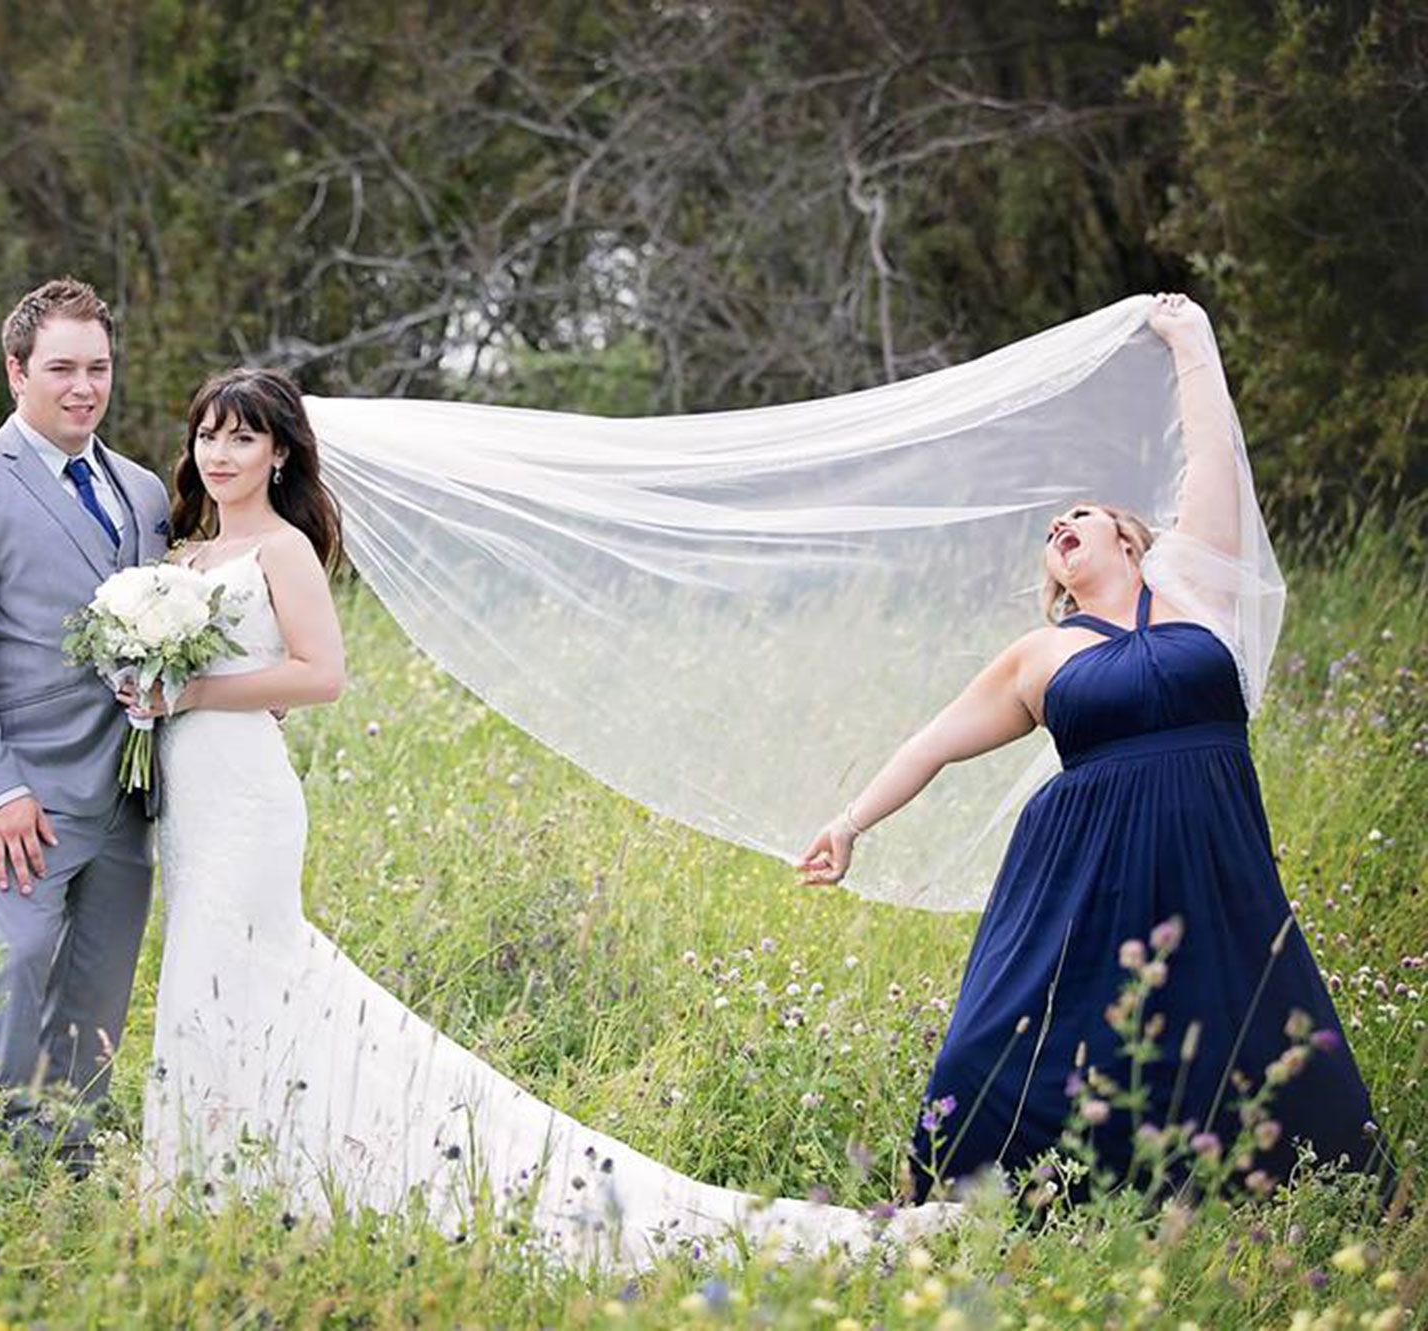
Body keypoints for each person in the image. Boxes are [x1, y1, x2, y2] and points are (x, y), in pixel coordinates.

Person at [118, 367, 955, 1270]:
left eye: (243, 436)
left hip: (246, 798)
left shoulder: (279, 549)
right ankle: (227, 1173)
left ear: (279, 452)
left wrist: (196, 688)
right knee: (207, 976)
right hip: (187, 798)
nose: (220, 452)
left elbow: (322, 675)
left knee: (249, 966)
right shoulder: (180, 559)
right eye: (209, 433)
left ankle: (266, 1172)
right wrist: (142, 688)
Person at [796, 293, 1380, 1200]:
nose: (1059, 532)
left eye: (1076, 516)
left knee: (1245, 1019)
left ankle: (1281, 1195)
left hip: (1211, 852)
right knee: (1000, 1038)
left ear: (1126, 532)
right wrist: (849, 819)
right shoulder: (1040, 655)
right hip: (1081, 871)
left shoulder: (1197, 584)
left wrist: (1191, 340)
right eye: (1048, 537)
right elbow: (935, 743)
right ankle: (966, 1196)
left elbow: (1214, 451)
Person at [0, 278, 172, 1158]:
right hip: (27, 796)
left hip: (128, 793)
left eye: (98, 368)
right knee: (16, 970)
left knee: (98, 987)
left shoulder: (141, 490)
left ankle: (62, 1156)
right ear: (16, 371)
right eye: (61, 368)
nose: (83, 387)